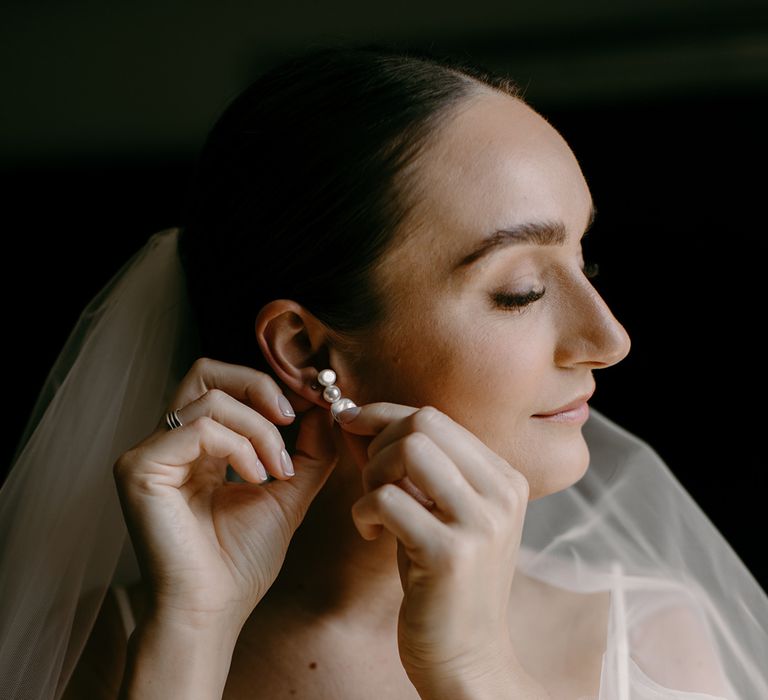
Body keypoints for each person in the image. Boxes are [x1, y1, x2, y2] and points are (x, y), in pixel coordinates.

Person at [1, 42, 766, 700]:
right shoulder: (93, 651)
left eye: (585, 259)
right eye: (519, 291)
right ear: (304, 349)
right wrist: (190, 637)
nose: (610, 338)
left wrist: (477, 671)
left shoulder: (653, 641)